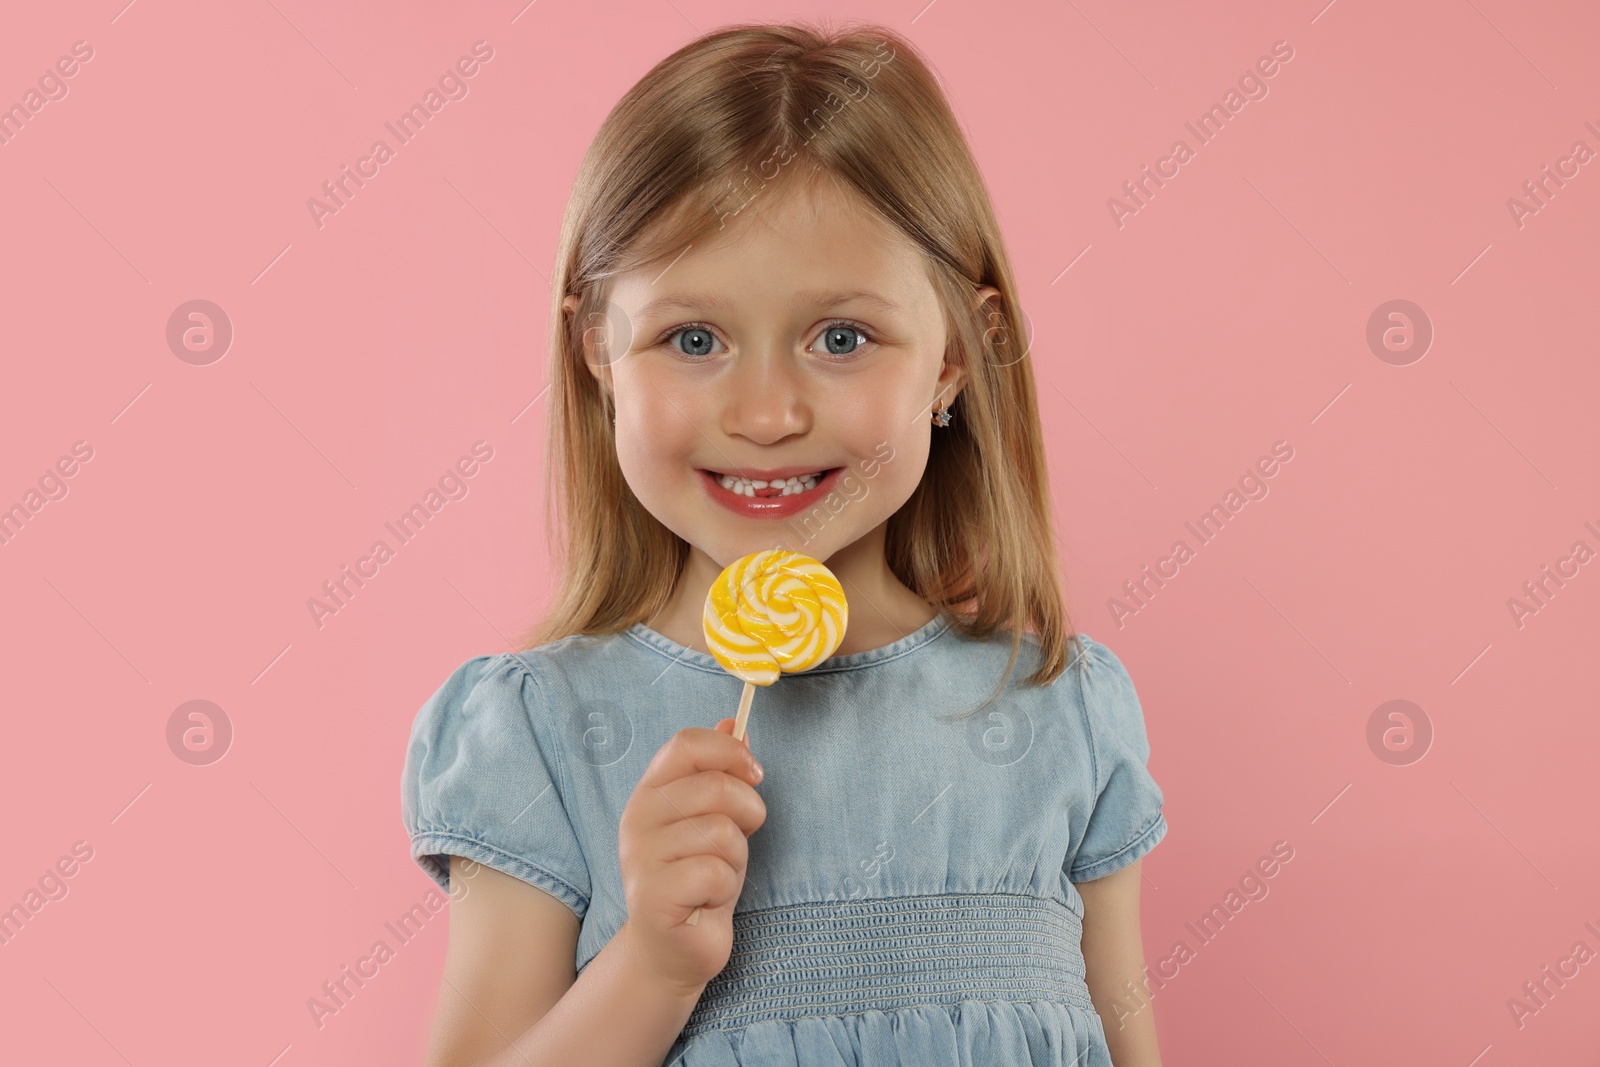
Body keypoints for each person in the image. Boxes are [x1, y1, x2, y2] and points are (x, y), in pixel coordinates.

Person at [401, 19, 1169, 1067]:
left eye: (841, 338)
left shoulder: (1060, 707)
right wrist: (653, 966)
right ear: (597, 352)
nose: (764, 413)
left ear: (958, 355)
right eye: (694, 338)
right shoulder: (537, 734)